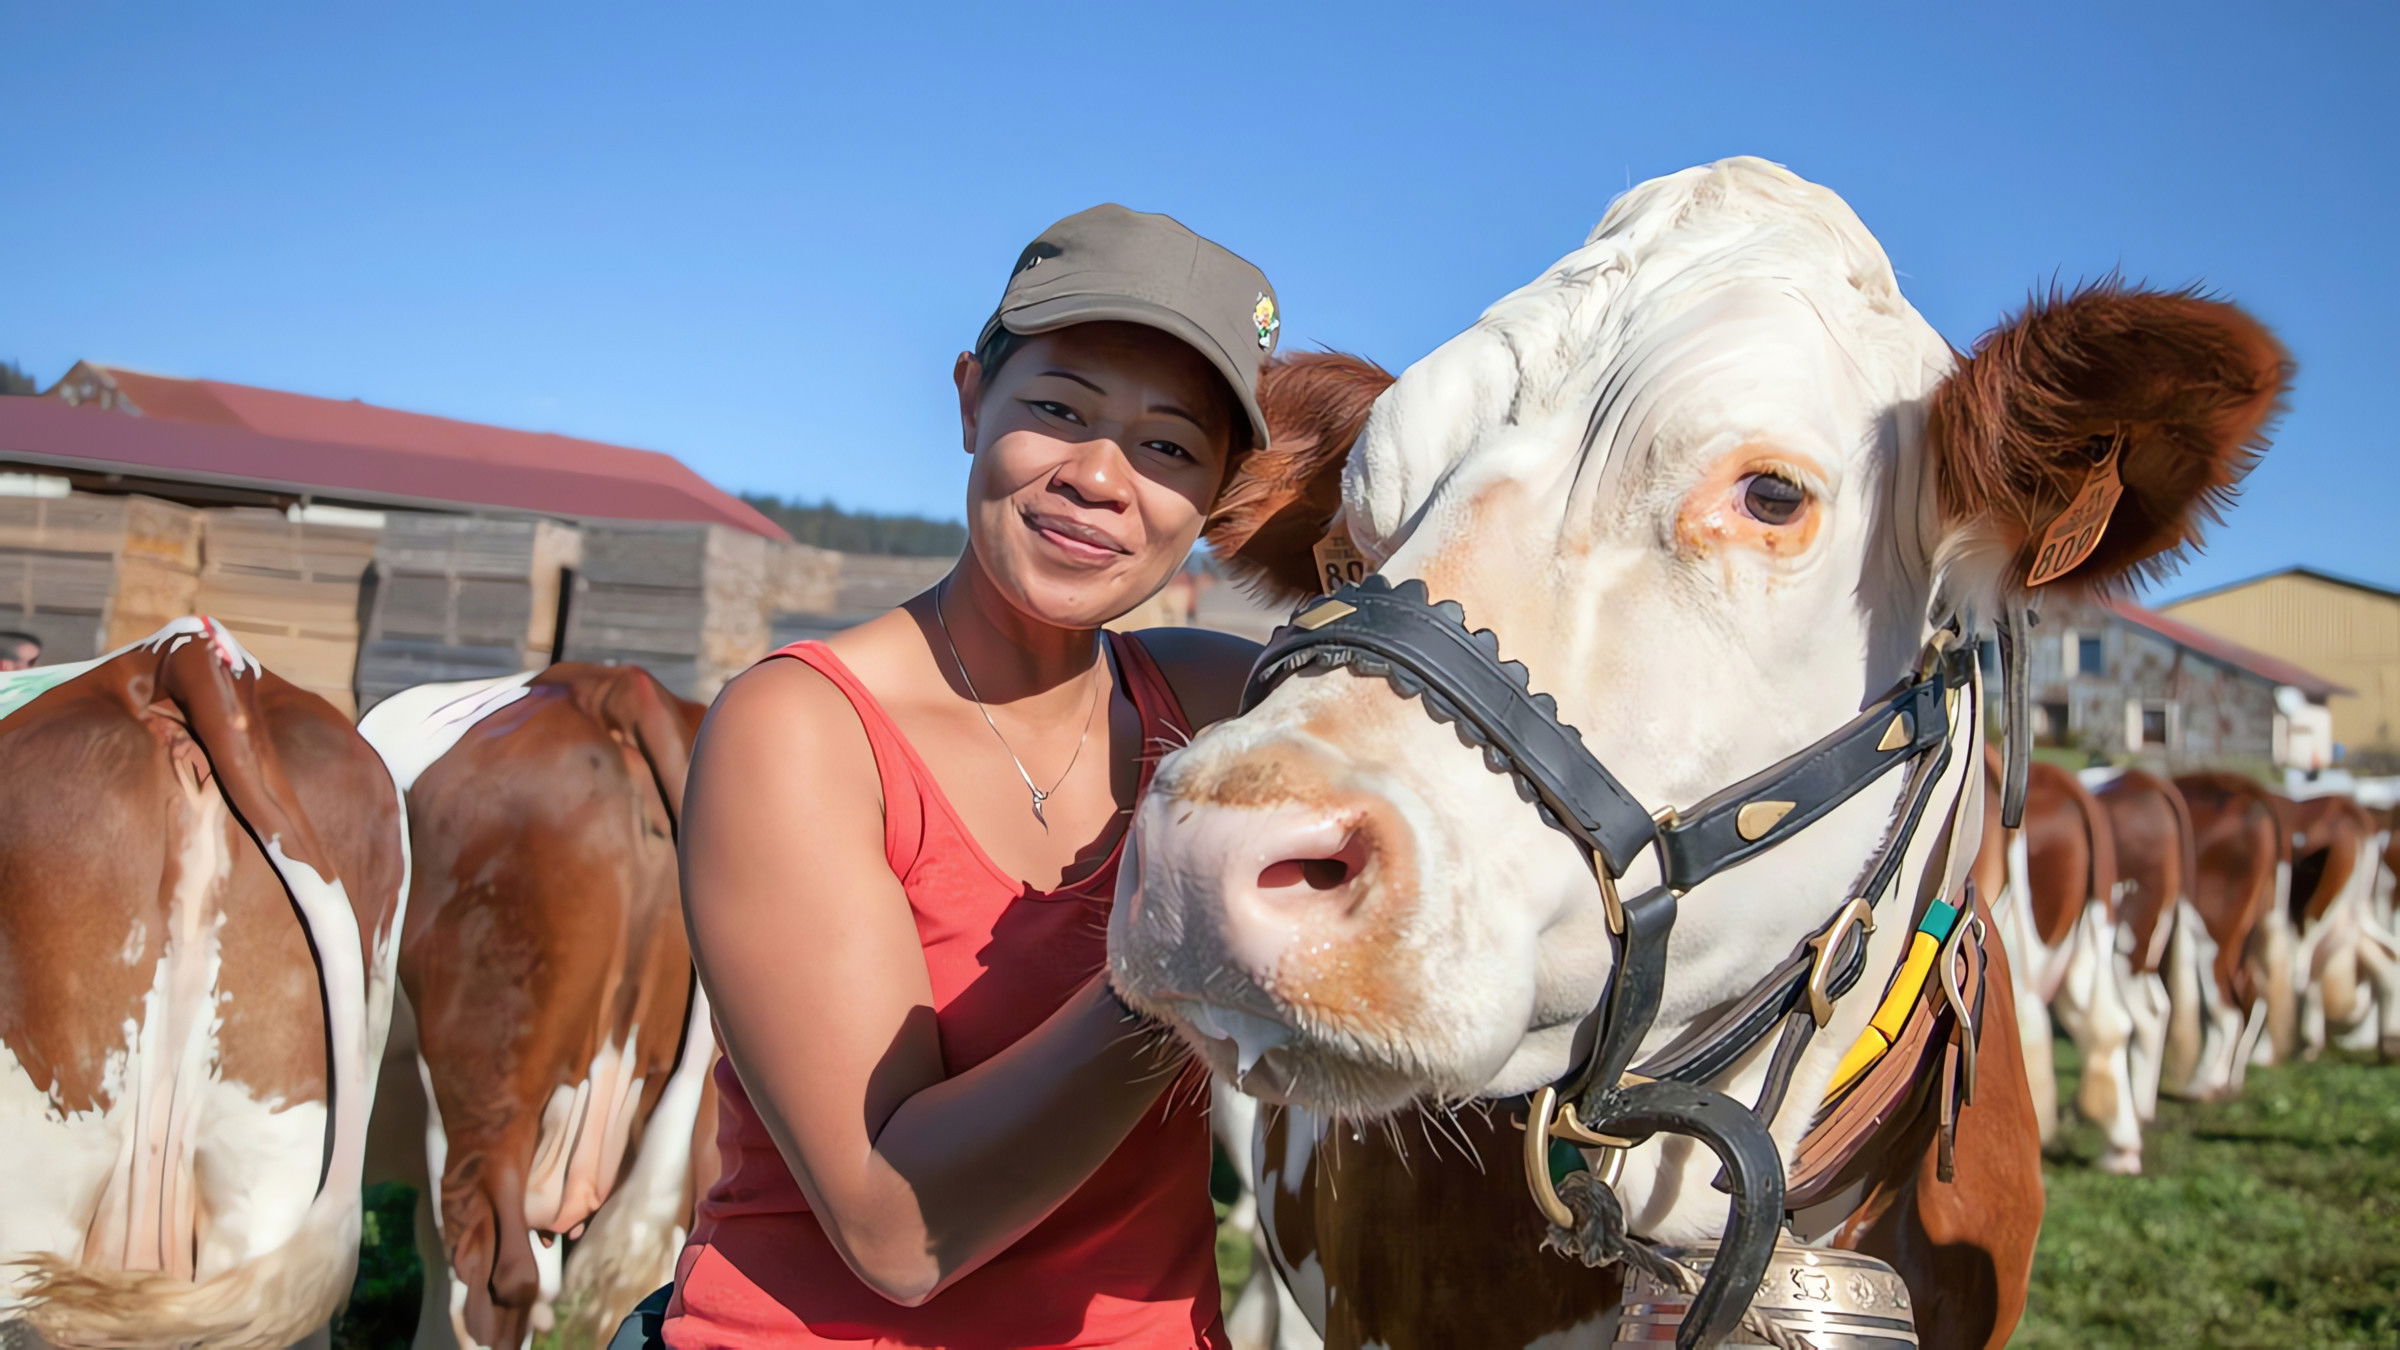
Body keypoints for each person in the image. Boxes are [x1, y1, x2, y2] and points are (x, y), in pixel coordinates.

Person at [663, 205, 1279, 1348]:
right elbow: (895, 1233)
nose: (1101, 478)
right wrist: (1182, 954)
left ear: (1220, 497)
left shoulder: (1214, 702)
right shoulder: (804, 730)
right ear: (969, 400)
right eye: (1059, 411)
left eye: (1169, 448)